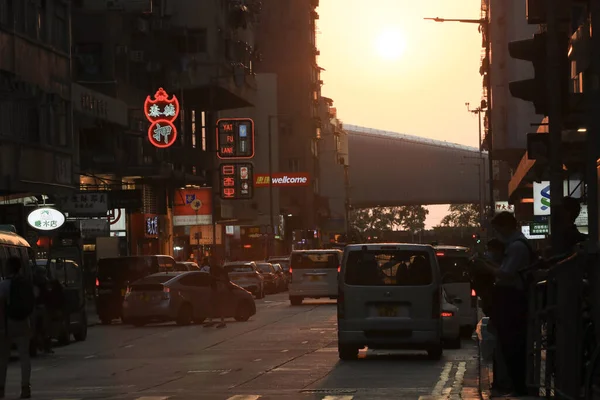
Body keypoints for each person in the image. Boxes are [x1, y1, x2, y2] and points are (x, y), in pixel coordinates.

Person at [475, 212, 532, 396]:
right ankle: (514, 385)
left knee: (513, 344)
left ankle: (518, 386)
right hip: (510, 299)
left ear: (507, 226)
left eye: (499, 229)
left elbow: (506, 273)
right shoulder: (514, 245)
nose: (497, 234)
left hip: (513, 300)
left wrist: (487, 267)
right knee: (508, 344)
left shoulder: (517, 247)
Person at [0, 257, 35, 399]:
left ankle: (1, 388)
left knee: (2, 359)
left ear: (8, 268)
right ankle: (25, 387)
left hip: (7, 324)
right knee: (24, 357)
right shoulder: (26, 284)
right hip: (23, 323)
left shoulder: (4, 285)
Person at [203, 260, 229, 329]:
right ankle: (212, 321)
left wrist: (214, 278)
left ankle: (222, 322)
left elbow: (224, 279)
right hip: (215, 289)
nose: (209, 262)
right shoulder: (213, 269)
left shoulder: (218, 269)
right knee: (212, 305)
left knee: (219, 305)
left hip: (218, 289)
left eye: (210, 260)